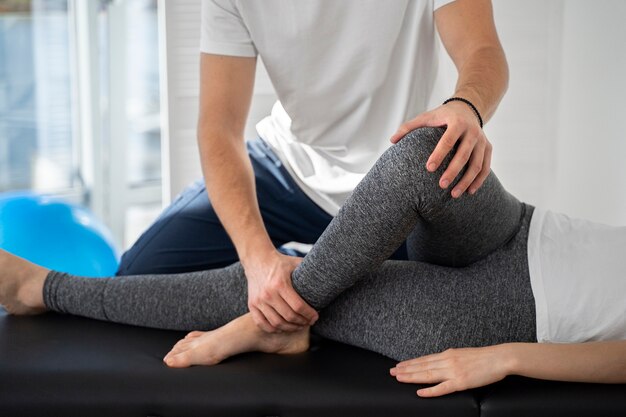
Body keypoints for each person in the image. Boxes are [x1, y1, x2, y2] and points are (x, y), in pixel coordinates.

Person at [1, 127, 625, 398]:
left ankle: (42, 288)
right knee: (428, 153)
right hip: (523, 228)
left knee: (294, 289)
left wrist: (506, 356)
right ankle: (279, 317)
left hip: (522, 314)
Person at [117, 0, 510, 334]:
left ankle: (305, 270)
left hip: (397, 190)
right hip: (287, 168)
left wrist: (466, 105)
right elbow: (218, 128)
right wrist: (258, 261)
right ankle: (298, 264)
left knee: (438, 323)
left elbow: (483, 51)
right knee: (137, 278)